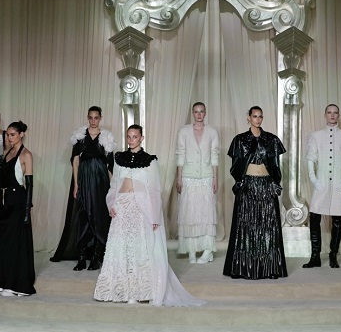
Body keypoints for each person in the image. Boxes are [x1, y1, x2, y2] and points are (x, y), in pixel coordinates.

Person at [93, 125, 205, 307]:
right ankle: (121, 291)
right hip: (121, 206)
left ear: (141, 138)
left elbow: (154, 190)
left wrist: (154, 216)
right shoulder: (119, 158)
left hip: (140, 207)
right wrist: (111, 203)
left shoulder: (149, 161)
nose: (131, 140)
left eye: (135, 137)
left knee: (138, 249)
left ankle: (137, 293)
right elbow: (114, 184)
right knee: (120, 248)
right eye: (129, 136)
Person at [223, 106, 287, 280]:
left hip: (266, 185)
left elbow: (276, 166)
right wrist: (242, 183)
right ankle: (242, 268)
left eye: (260, 116)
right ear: (249, 118)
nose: (257, 119)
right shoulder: (240, 140)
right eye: (254, 116)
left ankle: (270, 268)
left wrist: (274, 183)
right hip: (248, 185)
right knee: (246, 225)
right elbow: (235, 167)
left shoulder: (272, 140)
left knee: (268, 226)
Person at [51, 106, 115, 271]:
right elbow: (75, 161)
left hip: (100, 181)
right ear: (87, 118)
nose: (93, 121)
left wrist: (113, 189)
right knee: (83, 216)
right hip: (84, 180)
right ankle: (81, 257)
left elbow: (109, 165)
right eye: (90, 117)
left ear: (100, 118)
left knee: (99, 216)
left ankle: (96, 258)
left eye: (96, 117)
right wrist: (76, 184)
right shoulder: (80, 136)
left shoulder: (106, 137)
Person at [0, 121, 35, 296]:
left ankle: (13, 285)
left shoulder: (26, 155)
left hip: (18, 204)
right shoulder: (7, 153)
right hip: (3, 204)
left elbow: (29, 185)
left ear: (21, 134)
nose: (9, 138)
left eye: (12, 135)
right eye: (8, 135)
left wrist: (26, 211)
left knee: (14, 245)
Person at [303, 104, 341, 268]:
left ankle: (333, 255)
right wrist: (314, 179)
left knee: (337, 219)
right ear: (325, 115)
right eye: (329, 112)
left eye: (335, 113)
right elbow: (311, 159)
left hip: (339, 182)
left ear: (338, 115)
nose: (332, 115)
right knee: (314, 217)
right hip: (322, 182)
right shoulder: (316, 136)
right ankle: (315, 256)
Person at [176, 102, 220, 264]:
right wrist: (179, 178)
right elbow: (180, 154)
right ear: (192, 113)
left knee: (206, 214)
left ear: (205, 113)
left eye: (201, 112)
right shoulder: (184, 131)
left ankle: (207, 250)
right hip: (188, 177)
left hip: (206, 177)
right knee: (189, 214)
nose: (199, 114)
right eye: (196, 112)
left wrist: (215, 178)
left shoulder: (212, 132)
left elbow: (215, 156)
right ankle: (192, 251)